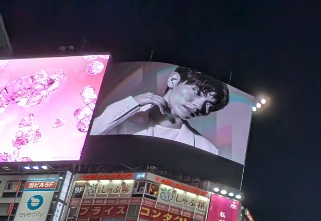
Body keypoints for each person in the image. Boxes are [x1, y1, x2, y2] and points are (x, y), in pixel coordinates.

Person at [90, 64, 230, 154]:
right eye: (197, 92)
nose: (199, 106)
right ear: (174, 81)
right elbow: (86, 141)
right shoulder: (123, 119)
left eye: (208, 106)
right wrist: (133, 102)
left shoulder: (207, 149)